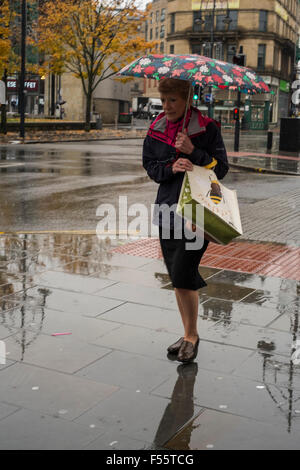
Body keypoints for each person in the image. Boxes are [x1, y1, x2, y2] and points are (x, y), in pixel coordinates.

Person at [142, 78, 229, 363]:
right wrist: (171, 167)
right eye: (163, 99)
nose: (166, 106)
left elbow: (222, 168)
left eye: (173, 100)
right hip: (167, 209)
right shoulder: (156, 130)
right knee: (177, 277)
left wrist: (194, 152)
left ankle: (192, 337)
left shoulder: (207, 128)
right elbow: (151, 168)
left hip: (198, 212)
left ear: (187, 99)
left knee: (182, 272)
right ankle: (187, 332)